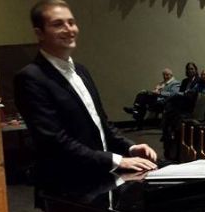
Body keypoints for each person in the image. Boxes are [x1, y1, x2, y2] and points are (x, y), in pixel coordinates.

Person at [14, 0, 158, 199]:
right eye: (58, 24)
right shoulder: (31, 78)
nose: (69, 29)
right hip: (68, 188)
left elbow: (101, 124)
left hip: (102, 180)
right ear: (39, 33)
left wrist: (130, 147)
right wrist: (116, 161)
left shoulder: (81, 70)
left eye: (71, 22)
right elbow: (54, 141)